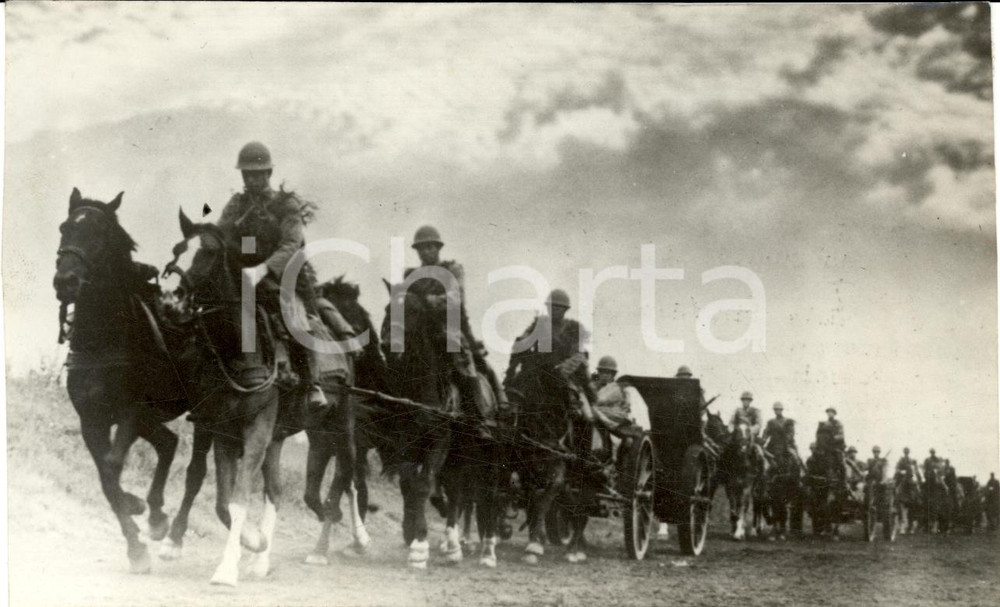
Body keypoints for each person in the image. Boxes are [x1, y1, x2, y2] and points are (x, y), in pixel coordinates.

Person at [216, 141, 325, 408]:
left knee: (295, 316)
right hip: (244, 275)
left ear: (268, 173)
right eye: (247, 174)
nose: (252, 178)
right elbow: (222, 234)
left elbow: (290, 244)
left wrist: (264, 269)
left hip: (285, 275)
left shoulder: (286, 205)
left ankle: (312, 384)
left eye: (257, 173)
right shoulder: (236, 205)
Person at [402, 224, 502, 437]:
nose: (425, 251)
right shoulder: (410, 275)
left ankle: (478, 419)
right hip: (420, 330)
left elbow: (456, 299)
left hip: (450, 328)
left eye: (430, 247)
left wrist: (431, 300)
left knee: (464, 365)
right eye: (421, 248)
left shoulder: (452, 270)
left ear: (438, 248)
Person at [505, 288, 596, 415]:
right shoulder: (540, 323)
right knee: (516, 385)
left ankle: (579, 412)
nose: (555, 310)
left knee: (580, 407)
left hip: (564, 372)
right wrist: (523, 341)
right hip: (538, 369)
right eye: (552, 307)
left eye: (559, 307)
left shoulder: (574, 327)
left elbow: (578, 354)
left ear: (565, 310)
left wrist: (563, 369)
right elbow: (524, 338)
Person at [815, 407, 847, 492]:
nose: (830, 414)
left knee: (841, 463)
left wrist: (833, 438)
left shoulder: (838, 423)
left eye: (831, 412)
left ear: (834, 414)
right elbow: (818, 435)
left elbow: (841, 435)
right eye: (828, 412)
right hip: (826, 448)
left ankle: (844, 482)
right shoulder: (823, 424)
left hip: (836, 447)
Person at [762, 402, 798, 470]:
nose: (777, 411)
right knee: (763, 455)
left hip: (786, 445)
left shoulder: (788, 421)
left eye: (778, 409)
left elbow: (791, 433)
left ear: (781, 410)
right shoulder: (771, 422)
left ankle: (797, 474)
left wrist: (787, 439)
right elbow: (766, 432)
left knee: (795, 457)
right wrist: (763, 440)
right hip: (773, 445)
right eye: (775, 410)